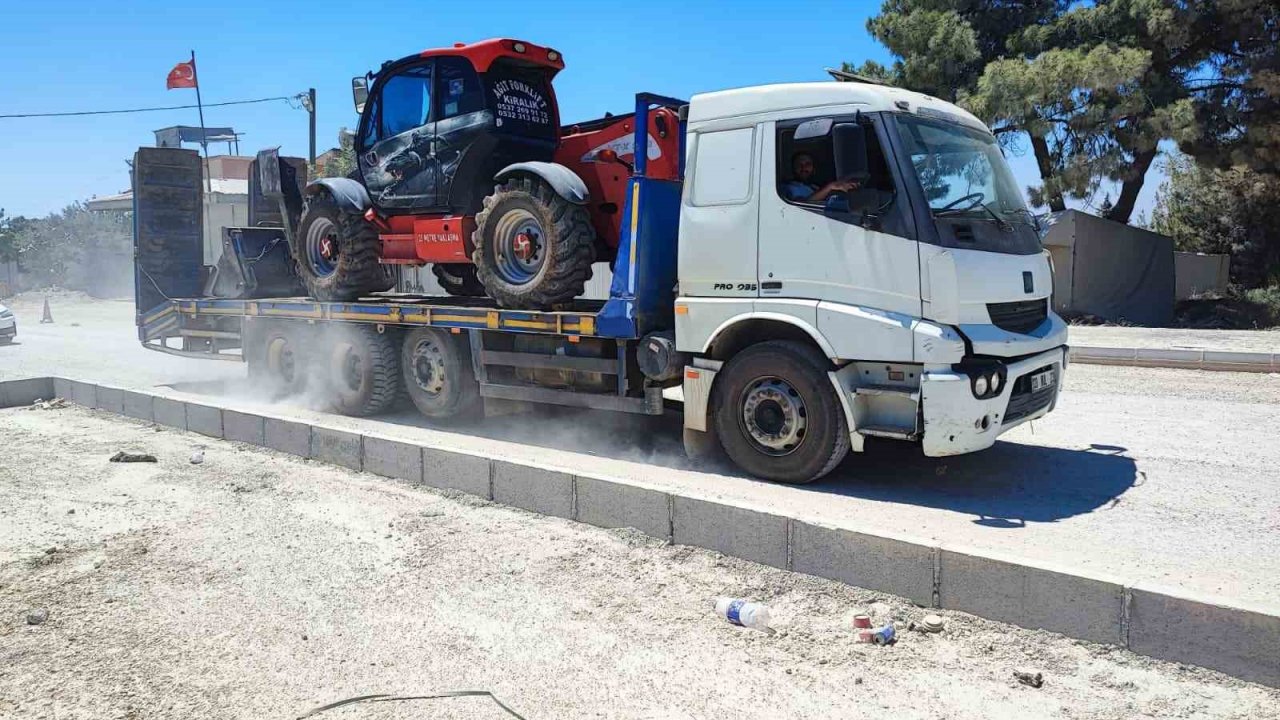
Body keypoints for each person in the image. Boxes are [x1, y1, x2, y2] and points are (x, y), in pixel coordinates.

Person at [781, 152, 859, 203]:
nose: (803, 168)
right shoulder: (787, 188)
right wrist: (831, 187)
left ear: (814, 168)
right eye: (799, 164)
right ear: (793, 168)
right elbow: (799, 206)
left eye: (807, 164)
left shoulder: (814, 187)